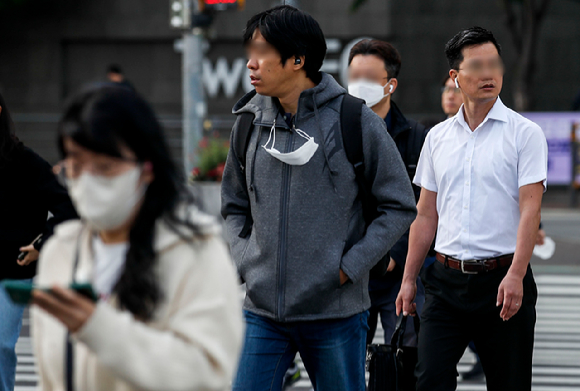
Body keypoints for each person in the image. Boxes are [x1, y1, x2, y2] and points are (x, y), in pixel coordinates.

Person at [221, 5, 417, 391]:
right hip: (262, 313)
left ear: (298, 59)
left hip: (334, 313)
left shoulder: (354, 120)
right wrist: (246, 260)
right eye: (250, 52)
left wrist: (346, 268)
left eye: (262, 51)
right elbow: (233, 204)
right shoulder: (248, 122)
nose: (251, 64)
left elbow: (399, 205)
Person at [31, 86, 244, 391]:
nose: (88, 180)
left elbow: (207, 373)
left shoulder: (195, 250)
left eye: (105, 167)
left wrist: (99, 328)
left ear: (146, 169)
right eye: (76, 166)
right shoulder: (61, 252)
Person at [396, 27, 547, 391]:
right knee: (429, 379)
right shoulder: (438, 138)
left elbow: (531, 211)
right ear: (455, 76)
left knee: (508, 384)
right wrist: (408, 278)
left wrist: (516, 274)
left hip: (502, 281)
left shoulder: (524, 134)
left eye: (493, 63)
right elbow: (426, 214)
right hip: (445, 285)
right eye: (476, 65)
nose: (488, 73)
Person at [347, 39, 428, 351]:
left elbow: (423, 206)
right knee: (347, 367)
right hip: (351, 273)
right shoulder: (337, 132)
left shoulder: (416, 137)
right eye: (353, 78)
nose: (358, 86)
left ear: (390, 84)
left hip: (401, 272)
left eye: (368, 79)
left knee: (406, 358)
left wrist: (394, 256)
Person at [0, 91, 77, 391]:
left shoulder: (26, 162)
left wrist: (41, 244)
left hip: (11, 273)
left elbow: (68, 208)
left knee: (1, 347)